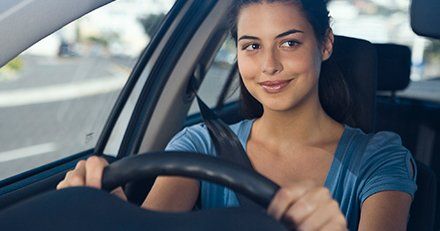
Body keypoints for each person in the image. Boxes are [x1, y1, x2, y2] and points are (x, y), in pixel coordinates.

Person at [57, 0, 417, 230]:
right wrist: (110, 205)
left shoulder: (379, 159)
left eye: (289, 43)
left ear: (325, 44)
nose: (269, 66)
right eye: (252, 46)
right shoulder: (200, 144)